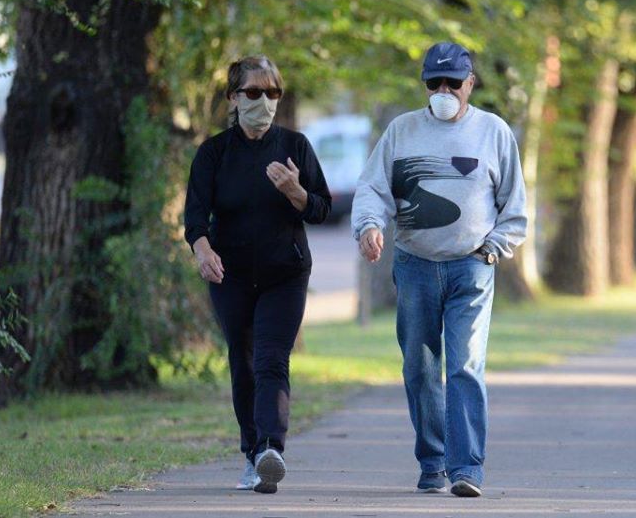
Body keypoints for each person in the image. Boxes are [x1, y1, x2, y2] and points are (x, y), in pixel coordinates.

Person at [351, 41, 527, 498]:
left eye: (453, 82)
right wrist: (370, 226)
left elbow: (515, 206)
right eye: (435, 82)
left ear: (470, 83)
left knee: (466, 364)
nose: (444, 90)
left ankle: (466, 467)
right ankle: (432, 462)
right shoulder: (401, 131)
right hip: (414, 266)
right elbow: (372, 187)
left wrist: (493, 249)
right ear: (425, 85)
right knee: (420, 367)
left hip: (472, 266)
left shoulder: (493, 131)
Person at [183, 55, 331, 494]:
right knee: (243, 363)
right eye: (253, 92)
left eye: (272, 93)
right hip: (230, 274)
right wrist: (202, 250)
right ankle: (251, 452)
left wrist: (296, 192)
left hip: (284, 273)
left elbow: (323, 208)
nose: (264, 101)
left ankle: (271, 450)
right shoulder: (213, 153)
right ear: (233, 98)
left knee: (270, 359)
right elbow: (195, 218)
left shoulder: (295, 146)